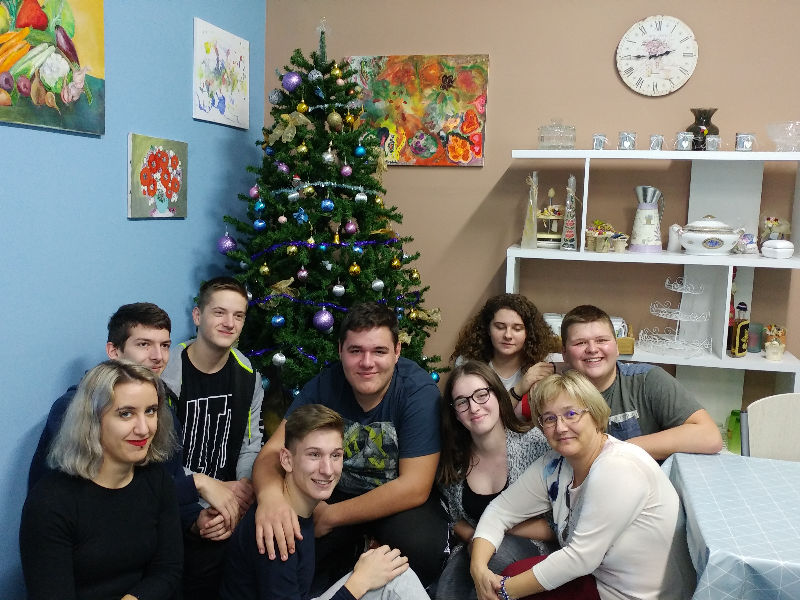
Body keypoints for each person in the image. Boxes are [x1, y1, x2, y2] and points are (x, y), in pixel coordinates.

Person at [250, 302, 447, 591]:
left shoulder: (417, 391)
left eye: (379, 351)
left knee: (422, 549)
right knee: (287, 540)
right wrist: (270, 499)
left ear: (397, 352)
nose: (367, 363)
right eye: (356, 351)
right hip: (333, 490)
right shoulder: (325, 386)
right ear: (341, 350)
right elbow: (272, 453)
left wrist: (332, 517)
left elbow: (415, 486)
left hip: (397, 500)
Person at [469, 371, 695, 600]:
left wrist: (503, 592)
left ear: (595, 415)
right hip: (601, 582)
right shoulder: (555, 464)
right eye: (549, 419)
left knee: (511, 581)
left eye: (571, 414)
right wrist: (478, 569)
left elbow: (579, 559)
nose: (560, 427)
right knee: (508, 571)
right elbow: (499, 511)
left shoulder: (618, 468)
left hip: (636, 596)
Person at [27, 302, 240, 529]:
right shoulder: (73, 409)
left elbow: (170, 485)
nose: (158, 357)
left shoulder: (165, 414)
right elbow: (110, 501)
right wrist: (196, 484)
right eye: (144, 344)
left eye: (165, 345)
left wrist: (196, 523)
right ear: (114, 351)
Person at [221, 404, 429, 600]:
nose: (328, 470)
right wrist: (359, 582)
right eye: (314, 455)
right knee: (395, 580)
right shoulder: (278, 532)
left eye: (335, 455)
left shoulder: (300, 509)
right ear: (287, 459)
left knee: (395, 573)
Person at [20, 360, 183, 600]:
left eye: (150, 411)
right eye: (126, 414)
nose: (144, 429)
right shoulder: (50, 503)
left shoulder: (157, 480)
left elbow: (168, 569)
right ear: (93, 421)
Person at [161, 277, 265, 597]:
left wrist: (244, 488)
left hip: (231, 497)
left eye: (238, 315)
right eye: (219, 312)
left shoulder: (248, 375)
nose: (229, 323)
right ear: (197, 315)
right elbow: (158, 459)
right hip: (178, 495)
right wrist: (207, 496)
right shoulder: (165, 373)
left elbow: (251, 443)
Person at [436, 361, 554, 600]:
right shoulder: (454, 458)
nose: (474, 407)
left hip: (533, 549)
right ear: (455, 413)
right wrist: (475, 538)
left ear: (498, 396)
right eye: (462, 402)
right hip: (472, 546)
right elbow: (451, 516)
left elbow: (559, 526)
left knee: (495, 561)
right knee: (447, 587)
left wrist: (492, 531)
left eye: (481, 395)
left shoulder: (537, 446)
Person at [560, 304, 722, 460]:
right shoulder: (556, 395)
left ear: (617, 347)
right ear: (564, 353)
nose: (592, 349)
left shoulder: (647, 380)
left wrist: (619, 449)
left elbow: (710, 436)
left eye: (601, 340)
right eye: (580, 343)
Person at [452, 294, 560, 420]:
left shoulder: (543, 362)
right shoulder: (466, 363)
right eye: (500, 327)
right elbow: (483, 419)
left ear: (528, 333)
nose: (508, 335)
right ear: (488, 329)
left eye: (517, 329)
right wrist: (520, 387)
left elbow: (573, 364)